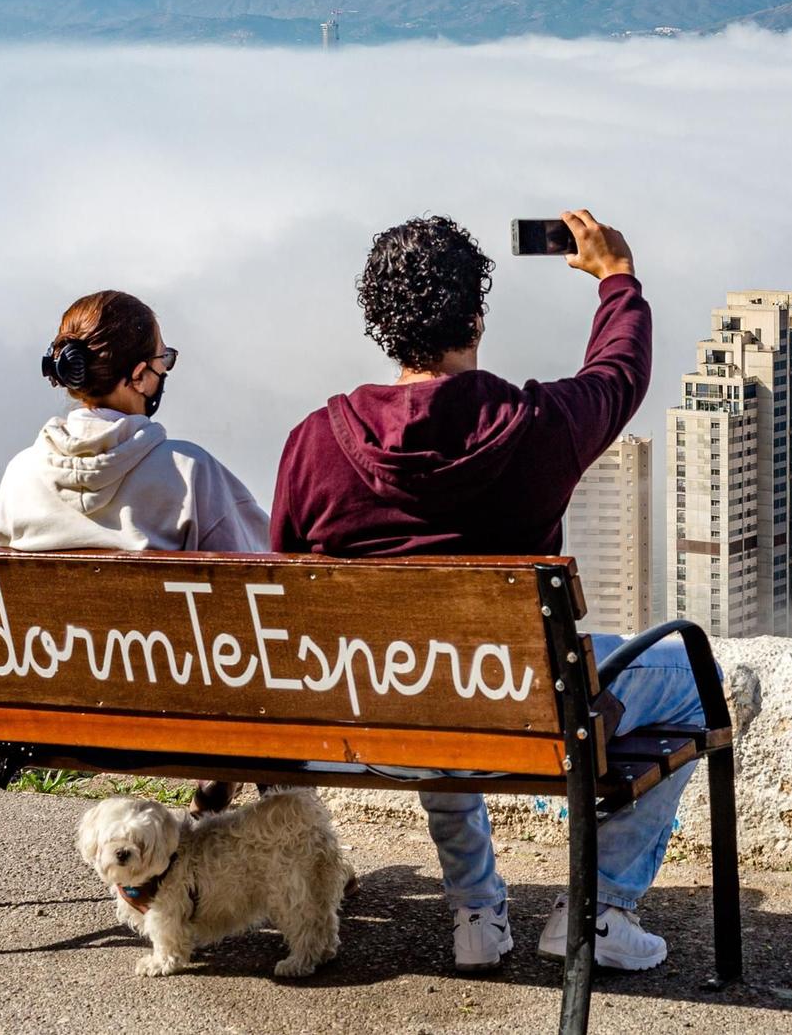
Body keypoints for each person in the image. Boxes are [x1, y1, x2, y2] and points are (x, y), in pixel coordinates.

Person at [272, 211, 702, 974]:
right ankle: (599, 909)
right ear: (474, 317)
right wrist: (616, 278)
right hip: (514, 705)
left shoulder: (313, 442)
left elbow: (286, 593)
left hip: (379, 719)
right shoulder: (535, 426)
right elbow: (619, 374)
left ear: (382, 324)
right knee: (697, 681)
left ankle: (477, 911)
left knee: (429, 680)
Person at [0, 289, 269, 553]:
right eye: (164, 358)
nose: (165, 367)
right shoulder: (190, 473)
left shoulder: (20, 475)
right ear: (140, 376)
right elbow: (262, 572)